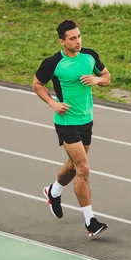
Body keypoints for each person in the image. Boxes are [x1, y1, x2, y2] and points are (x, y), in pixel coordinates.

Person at [32, 20, 111, 237]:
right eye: (72, 38)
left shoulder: (89, 56)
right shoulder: (54, 63)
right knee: (83, 168)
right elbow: (37, 84)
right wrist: (53, 104)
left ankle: (53, 191)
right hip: (66, 122)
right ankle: (90, 222)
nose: (77, 41)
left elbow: (107, 77)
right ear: (62, 41)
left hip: (87, 119)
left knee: (73, 165)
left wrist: (96, 79)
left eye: (79, 36)